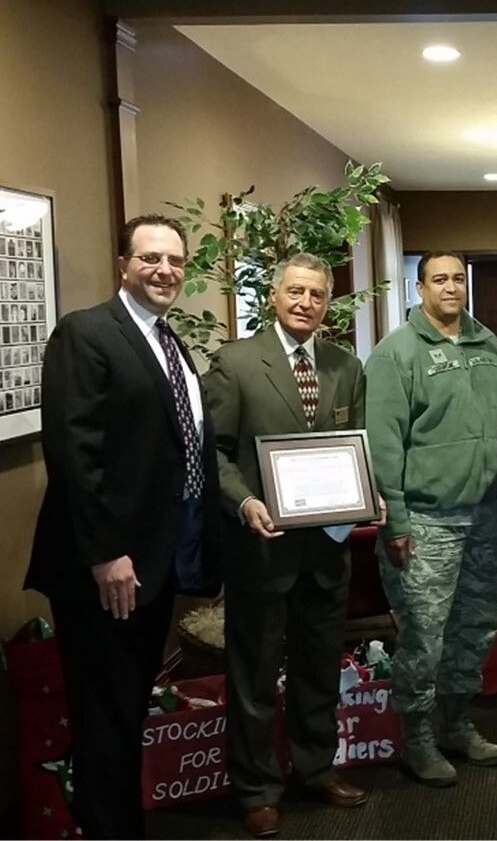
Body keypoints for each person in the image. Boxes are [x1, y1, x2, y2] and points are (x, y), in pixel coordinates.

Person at [26, 214, 222, 839]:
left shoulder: (170, 342)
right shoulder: (86, 334)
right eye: (150, 258)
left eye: (175, 260)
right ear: (124, 265)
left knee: (128, 704)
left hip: (155, 559)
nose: (165, 270)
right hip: (106, 568)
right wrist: (106, 553)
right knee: (106, 713)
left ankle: (118, 824)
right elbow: (72, 451)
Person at [204, 253, 368, 837]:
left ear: (328, 302)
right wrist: (244, 501)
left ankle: (316, 767)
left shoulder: (346, 366)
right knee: (253, 675)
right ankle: (255, 787)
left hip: (327, 548)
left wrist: (359, 502)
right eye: (295, 292)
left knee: (319, 666)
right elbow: (213, 453)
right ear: (274, 295)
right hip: (261, 547)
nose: (305, 303)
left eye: (316, 295)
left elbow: (358, 445)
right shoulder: (235, 362)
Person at [365, 251, 497, 787]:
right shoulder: (395, 354)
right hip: (425, 521)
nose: (451, 288)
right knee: (424, 636)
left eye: (457, 279)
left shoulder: (488, 344)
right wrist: (396, 522)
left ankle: (456, 722)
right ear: (420, 287)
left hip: (482, 518)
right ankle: (418, 738)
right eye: (439, 280)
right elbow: (383, 446)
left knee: (474, 629)